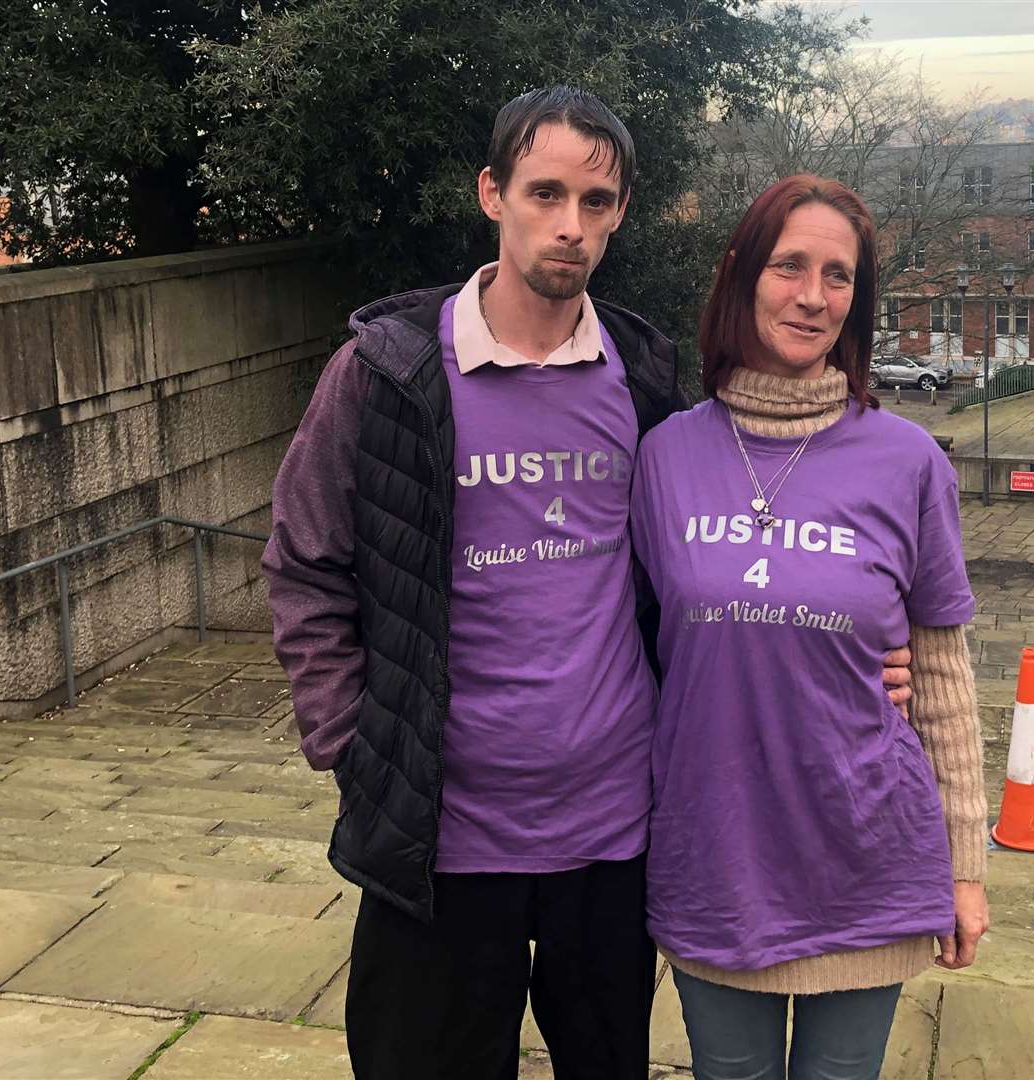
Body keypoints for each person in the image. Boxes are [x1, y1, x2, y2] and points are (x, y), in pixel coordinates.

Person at [262, 89, 915, 1080]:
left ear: (618, 213)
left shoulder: (644, 376)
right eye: (545, 192)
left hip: (611, 838)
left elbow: (719, 550)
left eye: (596, 201)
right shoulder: (386, 373)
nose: (569, 224)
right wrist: (352, 741)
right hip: (439, 840)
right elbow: (303, 562)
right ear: (492, 192)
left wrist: (859, 651)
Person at [629, 175, 989, 1080]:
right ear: (743, 276)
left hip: (867, 856)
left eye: (838, 276)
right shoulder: (665, 455)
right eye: (790, 265)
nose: (813, 295)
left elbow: (941, 675)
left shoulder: (905, 460)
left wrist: (965, 867)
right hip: (715, 857)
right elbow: (633, 646)